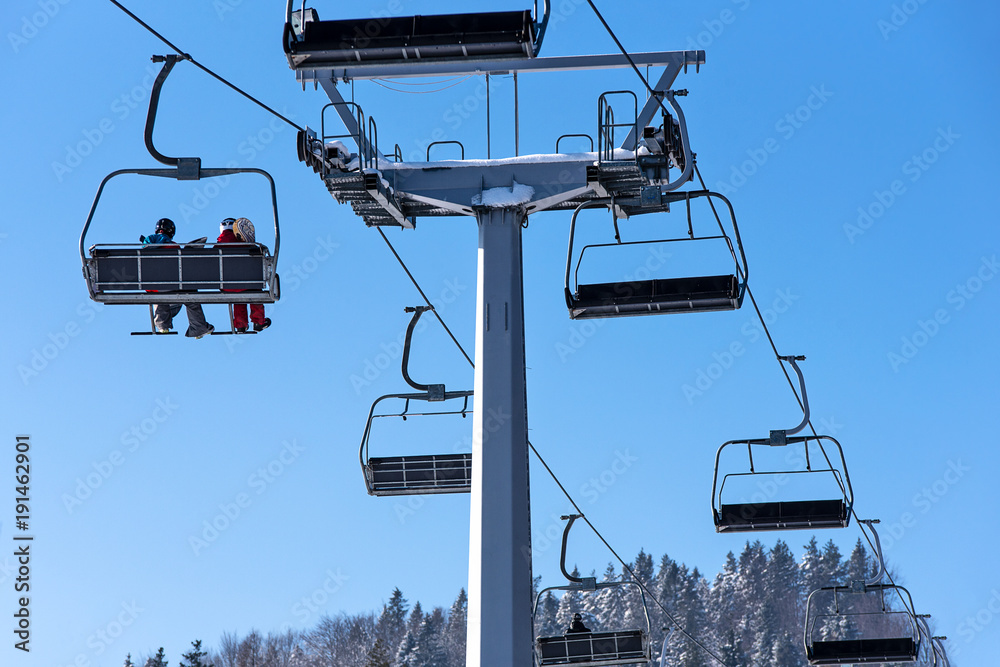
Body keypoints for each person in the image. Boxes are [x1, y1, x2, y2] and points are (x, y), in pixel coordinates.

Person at [141, 217, 214, 338]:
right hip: (174, 284)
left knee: (160, 297)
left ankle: (162, 325)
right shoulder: (173, 247)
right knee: (191, 296)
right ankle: (198, 326)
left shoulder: (145, 249)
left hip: (155, 287)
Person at [217, 216, 270, 332]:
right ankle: (258, 321)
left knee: (237, 294)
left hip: (226, 286)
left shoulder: (217, 247)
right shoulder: (244, 244)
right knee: (253, 288)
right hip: (246, 284)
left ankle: (240, 325)